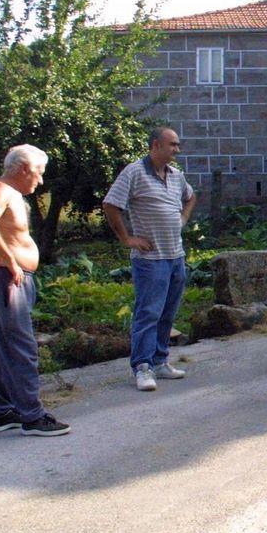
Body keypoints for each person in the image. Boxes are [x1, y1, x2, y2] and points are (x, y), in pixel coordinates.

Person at [0, 144, 70, 437]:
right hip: (7, 279)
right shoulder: (1, 190)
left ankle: (0, 412)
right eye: (39, 173)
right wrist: (8, 259)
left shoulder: (6, 193)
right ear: (24, 168)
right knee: (21, 346)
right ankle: (33, 417)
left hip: (6, 276)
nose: (40, 180)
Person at [103, 127, 197, 391]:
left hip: (175, 255)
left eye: (178, 145)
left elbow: (190, 197)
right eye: (173, 145)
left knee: (168, 312)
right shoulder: (134, 172)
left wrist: (184, 218)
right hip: (150, 259)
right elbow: (111, 205)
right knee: (148, 313)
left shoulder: (176, 175)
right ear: (156, 145)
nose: (177, 150)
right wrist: (127, 238)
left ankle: (159, 361)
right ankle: (142, 367)